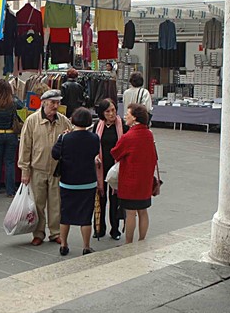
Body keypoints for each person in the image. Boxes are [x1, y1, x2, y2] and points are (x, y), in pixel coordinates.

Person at [18, 89, 73, 246]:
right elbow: (25, 146)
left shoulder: (63, 121)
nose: (55, 106)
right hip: (38, 169)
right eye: (52, 103)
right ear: (43, 103)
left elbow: (71, 141)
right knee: (38, 204)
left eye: (57, 103)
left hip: (57, 170)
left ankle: (55, 232)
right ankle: (39, 233)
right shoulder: (32, 121)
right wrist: (25, 170)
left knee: (56, 203)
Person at [52, 108, 100, 256]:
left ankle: (64, 245)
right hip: (88, 181)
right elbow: (94, 153)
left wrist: (61, 138)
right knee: (86, 216)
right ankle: (86, 246)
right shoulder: (94, 138)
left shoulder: (65, 138)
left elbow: (55, 154)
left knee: (65, 214)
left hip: (68, 181)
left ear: (72, 120)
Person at [110, 103, 157, 244]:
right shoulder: (149, 134)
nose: (125, 116)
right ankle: (142, 240)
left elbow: (115, 153)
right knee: (143, 211)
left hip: (130, 180)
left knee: (130, 213)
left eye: (128, 114)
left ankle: (128, 243)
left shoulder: (128, 136)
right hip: (145, 179)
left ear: (135, 118)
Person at [94, 98, 128, 240]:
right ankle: (99, 228)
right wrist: (95, 156)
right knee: (101, 199)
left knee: (115, 199)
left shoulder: (122, 125)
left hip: (117, 167)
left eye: (113, 110)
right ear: (102, 113)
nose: (111, 114)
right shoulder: (98, 125)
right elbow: (94, 143)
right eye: (108, 111)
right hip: (101, 167)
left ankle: (115, 230)